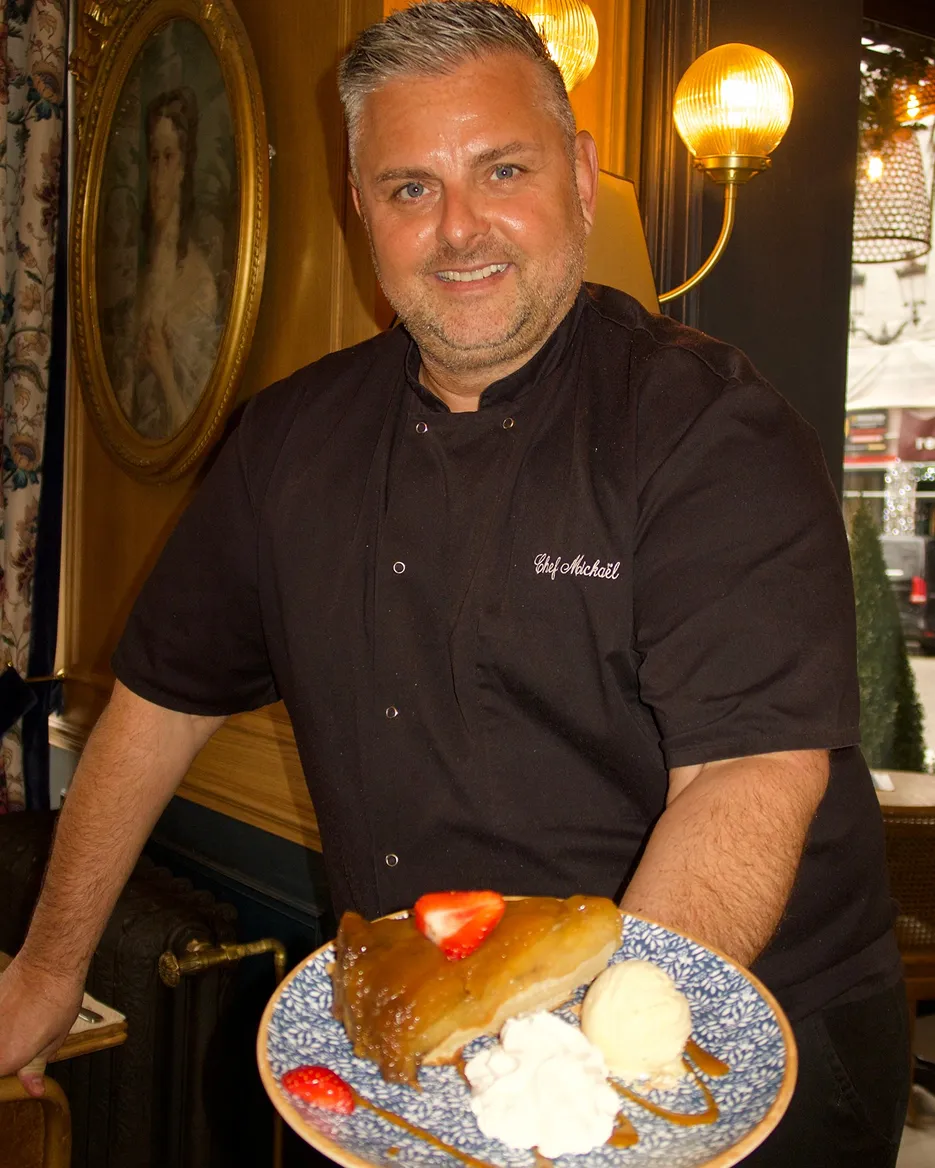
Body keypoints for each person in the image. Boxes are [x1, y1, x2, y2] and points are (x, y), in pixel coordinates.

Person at [0, 3, 909, 1163]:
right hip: (427, 1050)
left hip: (734, 1050)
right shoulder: (287, 445)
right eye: (409, 188)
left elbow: (742, 776)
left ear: (580, 177)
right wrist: (46, 967)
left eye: (502, 169)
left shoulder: (709, 435)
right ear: (359, 209)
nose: (459, 229)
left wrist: (575, 1090)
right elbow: (161, 703)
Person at [109, 87, 220, 440]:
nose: (158, 177)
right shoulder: (139, 277)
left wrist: (162, 367)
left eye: (169, 157)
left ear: (185, 167)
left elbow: (193, 424)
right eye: (153, 159)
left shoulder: (199, 283)